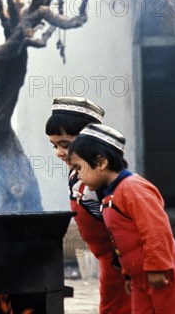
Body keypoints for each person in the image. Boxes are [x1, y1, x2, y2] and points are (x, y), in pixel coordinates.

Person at [69, 123, 175, 313]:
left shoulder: (133, 188)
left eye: (79, 167)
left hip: (160, 276)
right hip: (138, 279)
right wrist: (128, 275)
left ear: (101, 162)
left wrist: (157, 268)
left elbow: (156, 229)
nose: (76, 175)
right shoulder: (110, 195)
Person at [45, 97, 130, 313]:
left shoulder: (100, 178)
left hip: (121, 258)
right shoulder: (77, 172)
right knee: (110, 305)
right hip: (107, 259)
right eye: (54, 145)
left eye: (65, 144)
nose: (59, 152)